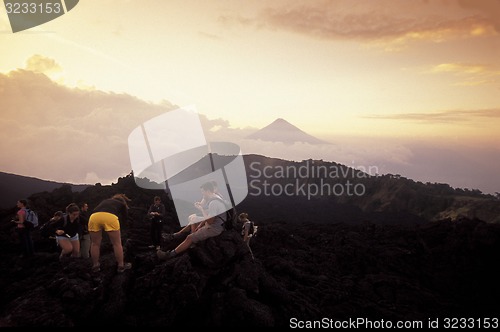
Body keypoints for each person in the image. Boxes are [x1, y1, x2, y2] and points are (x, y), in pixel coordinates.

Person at [157, 181, 226, 260]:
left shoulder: (214, 203)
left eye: (203, 192)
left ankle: (169, 255)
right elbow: (211, 217)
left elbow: (210, 221)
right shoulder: (216, 198)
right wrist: (200, 225)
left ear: (207, 191)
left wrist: (201, 209)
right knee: (194, 220)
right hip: (216, 224)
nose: (202, 194)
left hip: (215, 228)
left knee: (189, 237)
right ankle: (179, 236)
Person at [88, 194, 132, 273]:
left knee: (95, 244)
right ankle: (121, 266)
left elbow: (95, 210)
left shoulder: (105, 201)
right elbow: (125, 219)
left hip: (94, 217)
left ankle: (95, 266)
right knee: (117, 244)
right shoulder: (122, 204)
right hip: (110, 217)